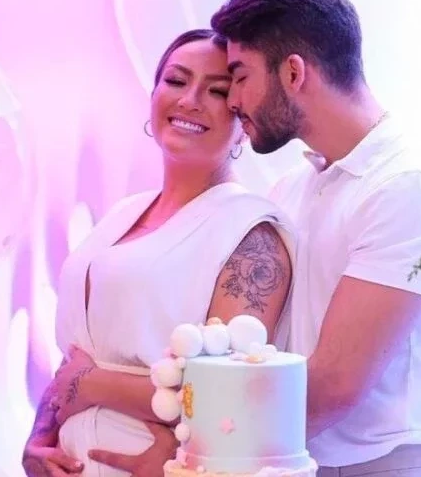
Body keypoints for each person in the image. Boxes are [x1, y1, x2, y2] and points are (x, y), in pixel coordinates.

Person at [210, 0, 421, 477]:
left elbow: (334, 385)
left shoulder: (408, 188)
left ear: (293, 72)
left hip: (388, 464)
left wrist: (202, 454)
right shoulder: (292, 188)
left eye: (240, 77)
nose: (232, 100)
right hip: (297, 458)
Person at [20, 28, 295, 477]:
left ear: (243, 119)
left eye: (217, 91)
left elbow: (232, 395)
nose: (189, 100)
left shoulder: (250, 233)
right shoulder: (123, 213)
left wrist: (89, 384)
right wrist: (40, 438)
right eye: (176, 81)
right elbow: (73, 359)